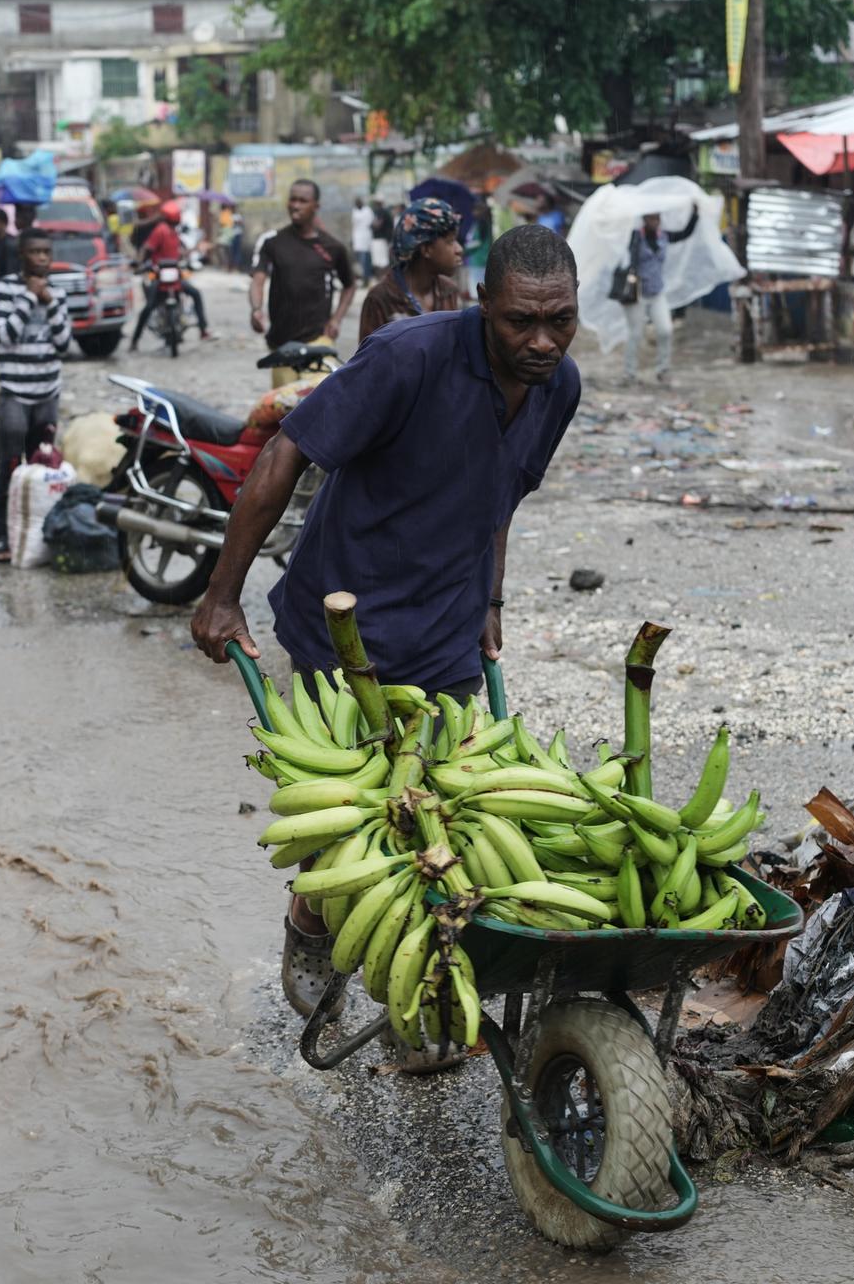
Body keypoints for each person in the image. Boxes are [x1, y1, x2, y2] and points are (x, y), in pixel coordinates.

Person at [192, 225, 581, 1027]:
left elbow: (501, 494)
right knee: (349, 814)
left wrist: (491, 602)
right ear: (483, 304)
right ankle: (310, 919)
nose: (542, 342)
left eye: (560, 321)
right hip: (347, 623)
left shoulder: (558, 386)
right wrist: (222, 593)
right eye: (521, 321)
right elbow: (286, 454)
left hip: (448, 627)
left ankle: (423, 979)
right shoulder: (409, 356)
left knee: (447, 811)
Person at [0, 228, 72, 564]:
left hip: (47, 393)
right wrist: (28, 298)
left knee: (42, 466)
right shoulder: (5, 288)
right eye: (35, 252)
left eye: (46, 252)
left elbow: (64, 343)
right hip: (15, 394)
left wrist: (49, 303)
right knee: (9, 465)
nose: (42, 258)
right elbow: (5, 336)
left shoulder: (58, 292)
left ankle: (38, 536)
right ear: (22, 255)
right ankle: (1, 536)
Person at [249, 179, 355, 386]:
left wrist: (336, 319)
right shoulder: (273, 243)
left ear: (316, 206)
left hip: (318, 341)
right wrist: (256, 309)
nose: (295, 205)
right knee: (285, 402)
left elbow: (349, 285)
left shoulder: (332, 247)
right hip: (282, 345)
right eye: (293, 199)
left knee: (318, 398)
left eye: (303, 201)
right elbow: (258, 279)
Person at [358, 196, 463, 343]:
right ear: (426, 249)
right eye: (450, 241)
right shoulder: (380, 299)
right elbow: (369, 356)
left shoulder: (449, 291)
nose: (459, 249)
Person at [621, 204, 698, 385]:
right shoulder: (636, 236)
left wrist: (695, 214)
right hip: (638, 292)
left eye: (657, 218)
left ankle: (663, 370)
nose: (655, 222)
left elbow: (684, 233)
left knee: (665, 330)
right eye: (651, 218)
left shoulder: (663, 236)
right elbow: (625, 255)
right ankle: (629, 373)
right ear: (644, 219)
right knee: (635, 333)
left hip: (657, 292)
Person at [128, 199, 212, 349]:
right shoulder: (161, 231)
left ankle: (202, 329)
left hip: (175, 277)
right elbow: (147, 249)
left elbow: (179, 252)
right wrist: (140, 264)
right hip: (160, 277)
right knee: (149, 307)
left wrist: (193, 255)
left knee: (195, 293)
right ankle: (135, 339)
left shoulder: (174, 232)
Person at [350, 195, 375, 286]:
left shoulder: (367, 210)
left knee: (366, 260)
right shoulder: (354, 211)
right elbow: (354, 225)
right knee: (360, 261)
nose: (357, 204)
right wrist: (352, 239)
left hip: (366, 237)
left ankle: (366, 279)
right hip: (357, 238)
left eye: (358, 202)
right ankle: (364, 278)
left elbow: (371, 222)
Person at [369, 197, 393, 274]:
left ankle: (385, 277)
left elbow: (377, 225)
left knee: (383, 262)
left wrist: (373, 225)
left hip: (381, 239)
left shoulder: (382, 212)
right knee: (380, 261)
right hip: (381, 239)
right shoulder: (380, 212)